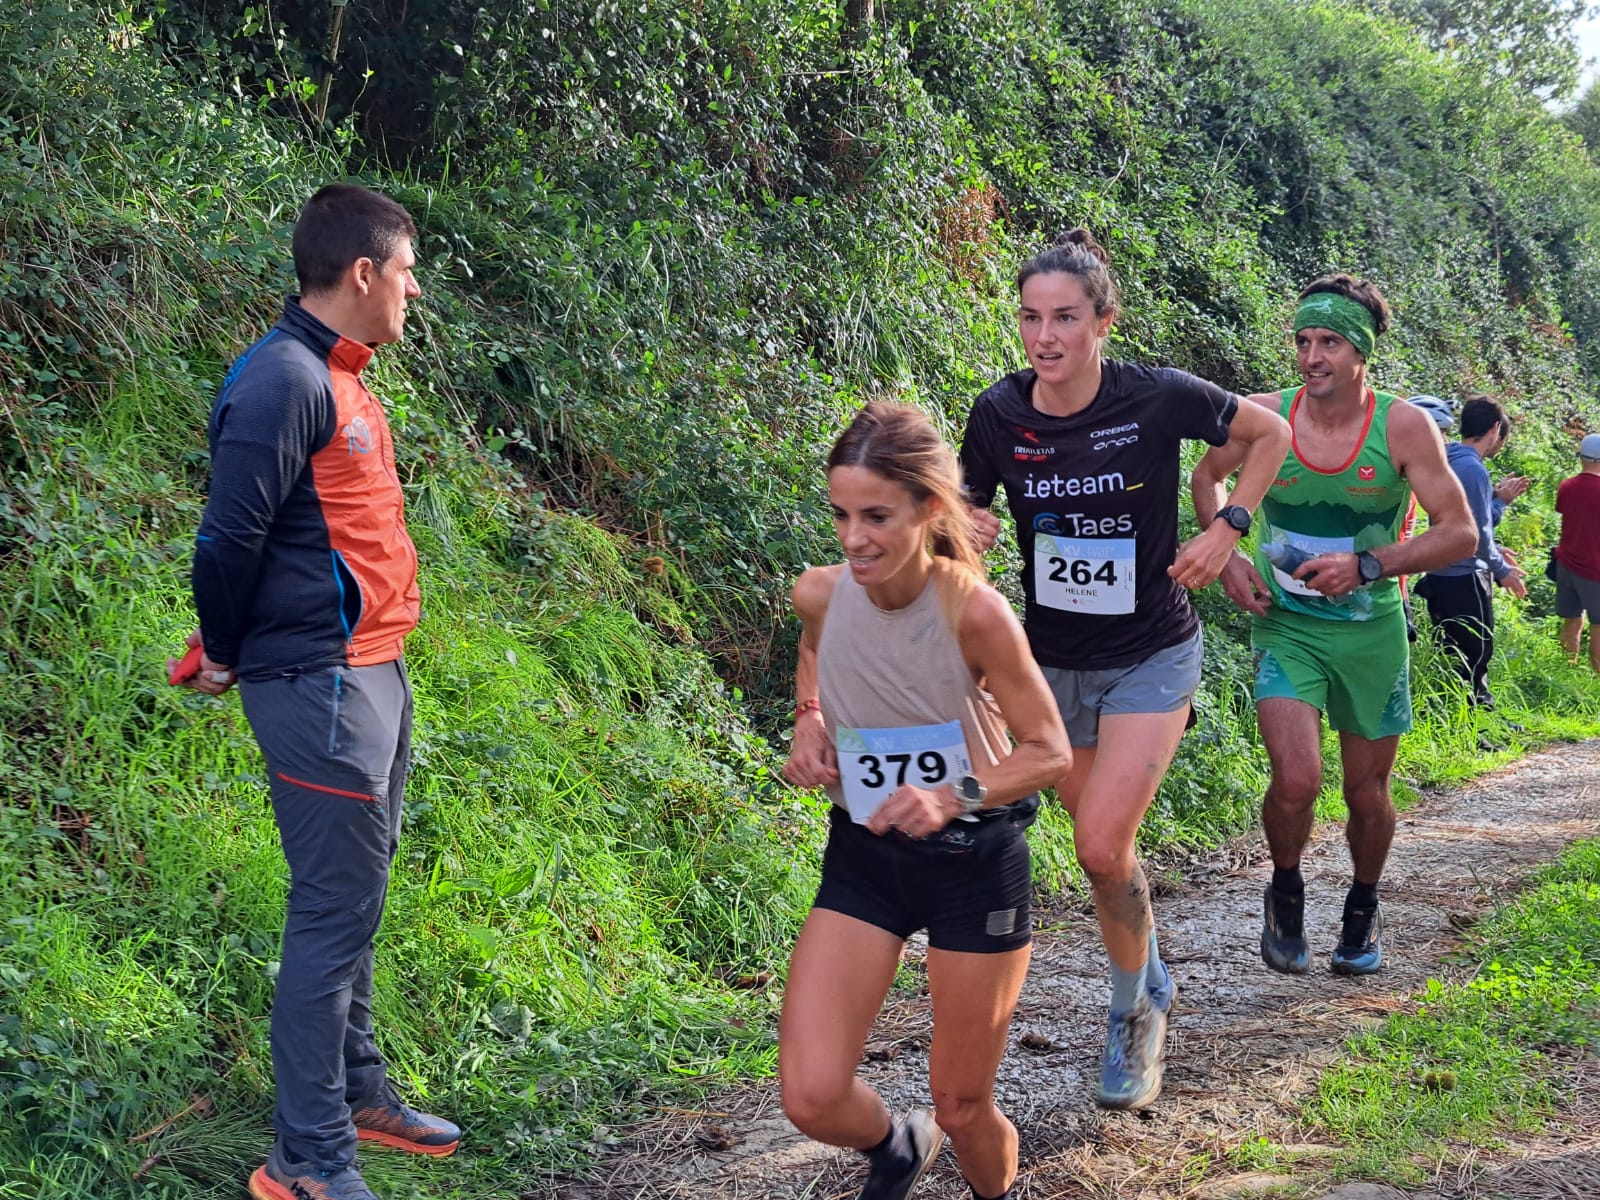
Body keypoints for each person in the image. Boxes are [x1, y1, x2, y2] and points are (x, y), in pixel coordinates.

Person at [958, 229, 1290, 1110]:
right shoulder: (998, 414)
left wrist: (1229, 527)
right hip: (1052, 664)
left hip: (1151, 652)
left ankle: (1132, 1010)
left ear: (1104, 321)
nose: (1044, 336)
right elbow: (961, 509)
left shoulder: (1159, 397)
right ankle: (1148, 973)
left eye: (1065, 317)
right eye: (1031, 317)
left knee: (1099, 843)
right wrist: (964, 530)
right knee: (1110, 861)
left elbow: (1271, 433)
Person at [172, 184, 458, 1200]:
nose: (416, 290)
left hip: (374, 670)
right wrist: (225, 648)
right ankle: (306, 1158)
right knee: (332, 912)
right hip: (318, 685)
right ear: (364, 273)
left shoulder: (343, 374)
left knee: (358, 899)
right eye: (408, 270)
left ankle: (357, 1093)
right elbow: (227, 539)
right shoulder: (282, 379)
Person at [781, 403, 1072, 1200]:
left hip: (974, 863)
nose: (853, 537)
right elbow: (813, 649)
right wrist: (809, 720)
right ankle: (898, 1146)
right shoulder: (819, 592)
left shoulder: (972, 610)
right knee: (808, 1094)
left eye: (876, 516)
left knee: (964, 1103)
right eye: (841, 515)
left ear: (928, 509)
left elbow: (1049, 751)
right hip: (867, 859)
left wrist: (954, 794)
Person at [1192, 274, 1475, 977]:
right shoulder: (1263, 416)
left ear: (1361, 354)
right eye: (1303, 340)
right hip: (1287, 628)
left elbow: (1461, 533)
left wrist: (1371, 565)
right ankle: (1285, 892)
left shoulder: (1403, 427)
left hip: (1372, 633)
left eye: (1329, 342)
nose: (1311, 355)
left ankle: (1363, 904)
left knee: (1365, 793)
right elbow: (1206, 479)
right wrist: (1226, 556)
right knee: (1296, 778)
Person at [1412, 396, 1527, 710]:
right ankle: (1475, 720)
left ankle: (1469, 715)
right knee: (1475, 651)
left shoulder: (1450, 457)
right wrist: (1502, 570)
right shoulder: (1472, 468)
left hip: (1442, 571)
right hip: (1463, 575)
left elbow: (1467, 522)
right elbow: (1475, 534)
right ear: (1494, 430)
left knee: (1453, 651)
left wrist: (1497, 504)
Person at [1555, 433, 1600, 673]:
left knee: (1572, 619)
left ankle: (1565, 672)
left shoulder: (1567, 486)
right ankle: (1596, 680)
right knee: (1599, 626)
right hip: (1595, 570)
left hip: (1568, 565)